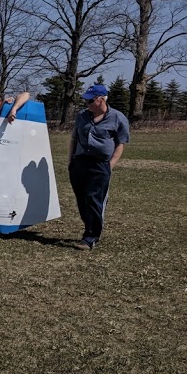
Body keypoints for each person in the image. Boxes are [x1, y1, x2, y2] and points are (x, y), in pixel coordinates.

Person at [68, 83, 130, 251]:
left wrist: (110, 165)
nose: (87, 104)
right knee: (81, 200)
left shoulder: (118, 118)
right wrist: (70, 161)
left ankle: (90, 236)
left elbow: (120, 144)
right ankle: (90, 227)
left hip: (100, 164)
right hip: (79, 162)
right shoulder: (82, 116)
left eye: (91, 100)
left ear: (102, 99)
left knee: (93, 198)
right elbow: (74, 139)